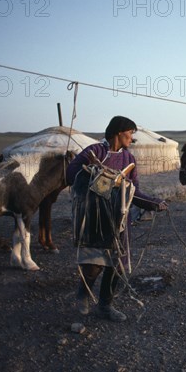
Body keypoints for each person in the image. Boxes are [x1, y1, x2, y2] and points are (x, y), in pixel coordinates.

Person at [66, 116, 168, 322]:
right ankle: (84, 294)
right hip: (96, 217)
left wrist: (154, 203)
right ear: (119, 132)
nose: (132, 138)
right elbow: (70, 175)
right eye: (130, 133)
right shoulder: (94, 152)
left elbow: (135, 191)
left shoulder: (129, 160)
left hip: (120, 219)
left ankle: (105, 305)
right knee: (95, 261)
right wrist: (94, 170)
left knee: (117, 264)